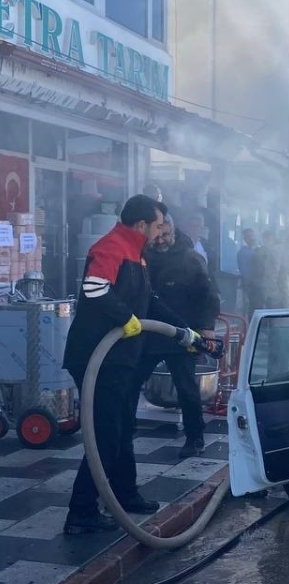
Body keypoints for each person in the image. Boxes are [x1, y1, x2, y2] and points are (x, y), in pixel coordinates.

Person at [62, 195, 199, 535]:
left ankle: (124, 493)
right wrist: (126, 318)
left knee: (123, 427)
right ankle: (81, 512)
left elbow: (148, 301)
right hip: (98, 359)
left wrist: (183, 331)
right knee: (105, 434)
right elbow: (95, 288)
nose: (161, 231)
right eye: (158, 224)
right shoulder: (112, 246)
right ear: (141, 225)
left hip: (120, 359)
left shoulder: (137, 253)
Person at [132, 215, 221, 459]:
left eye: (165, 235)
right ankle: (123, 428)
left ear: (173, 231)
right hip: (148, 332)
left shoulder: (191, 259)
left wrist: (206, 327)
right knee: (131, 382)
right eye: (157, 236)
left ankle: (195, 438)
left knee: (186, 388)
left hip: (182, 333)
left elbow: (210, 295)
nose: (161, 241)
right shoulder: (144, 257)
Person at [237, 228, 260, 313]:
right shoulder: (242, 253)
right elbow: (244, 271)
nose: (251, 238)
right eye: (248, 236)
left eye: (252, 236)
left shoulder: (260, 250)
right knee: (252, 307)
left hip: (262, 284)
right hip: (251, 285)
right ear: (245, 239)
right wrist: (247, 286)